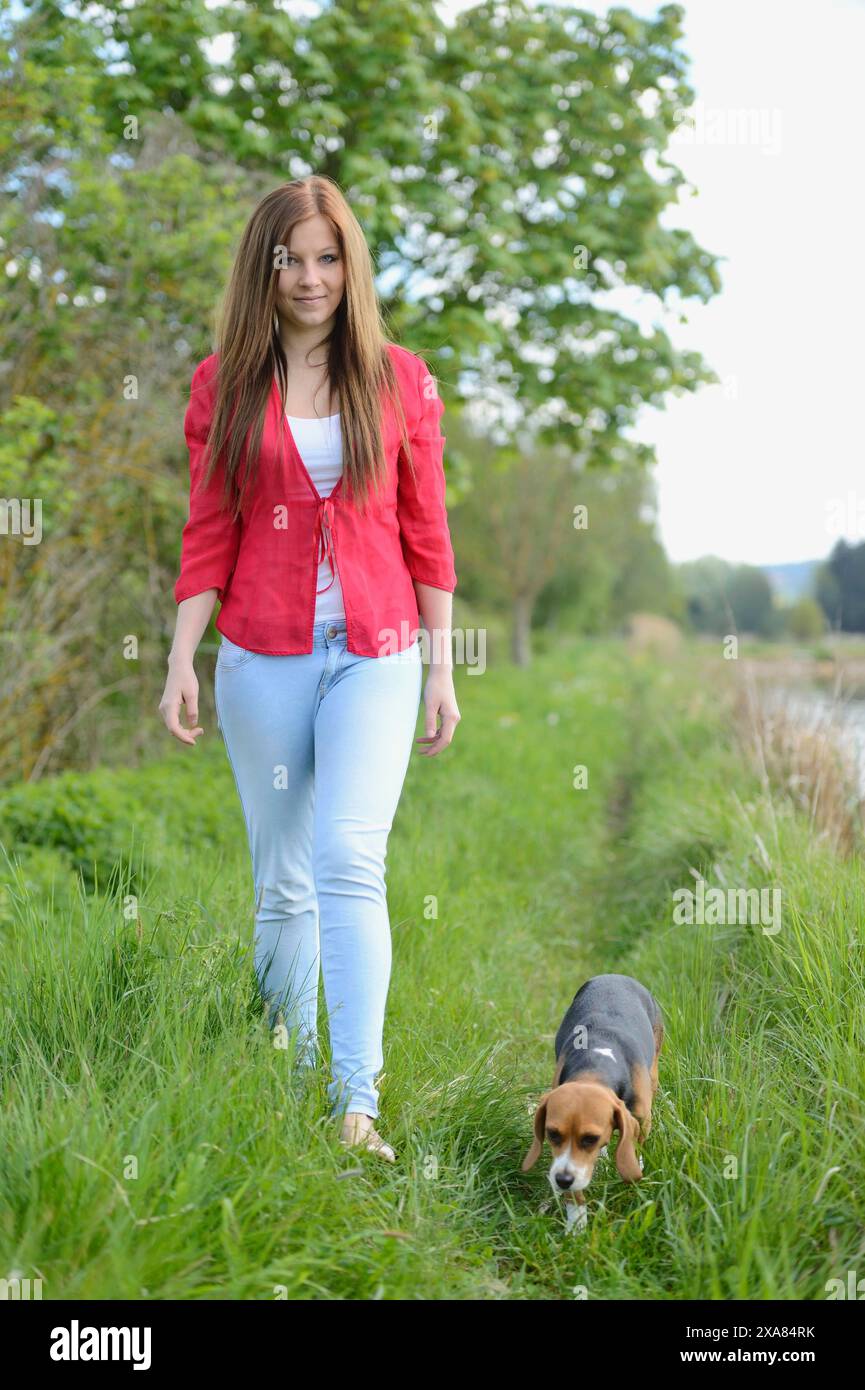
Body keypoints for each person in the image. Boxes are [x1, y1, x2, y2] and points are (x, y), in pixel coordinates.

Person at [158, 176, 460, 1162]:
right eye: (291, 257)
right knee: (281, 881)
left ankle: (354, 1103)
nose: (311, 276)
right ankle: (284, 1086)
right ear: (265, 266)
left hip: (376, 654)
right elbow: (209, 528)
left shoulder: (399, 378)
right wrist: (181, 660)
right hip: (260, 653)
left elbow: (427, 529)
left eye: (329, 257)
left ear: (351, 267)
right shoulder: (223, 385)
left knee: (348, 861)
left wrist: (443, 670)